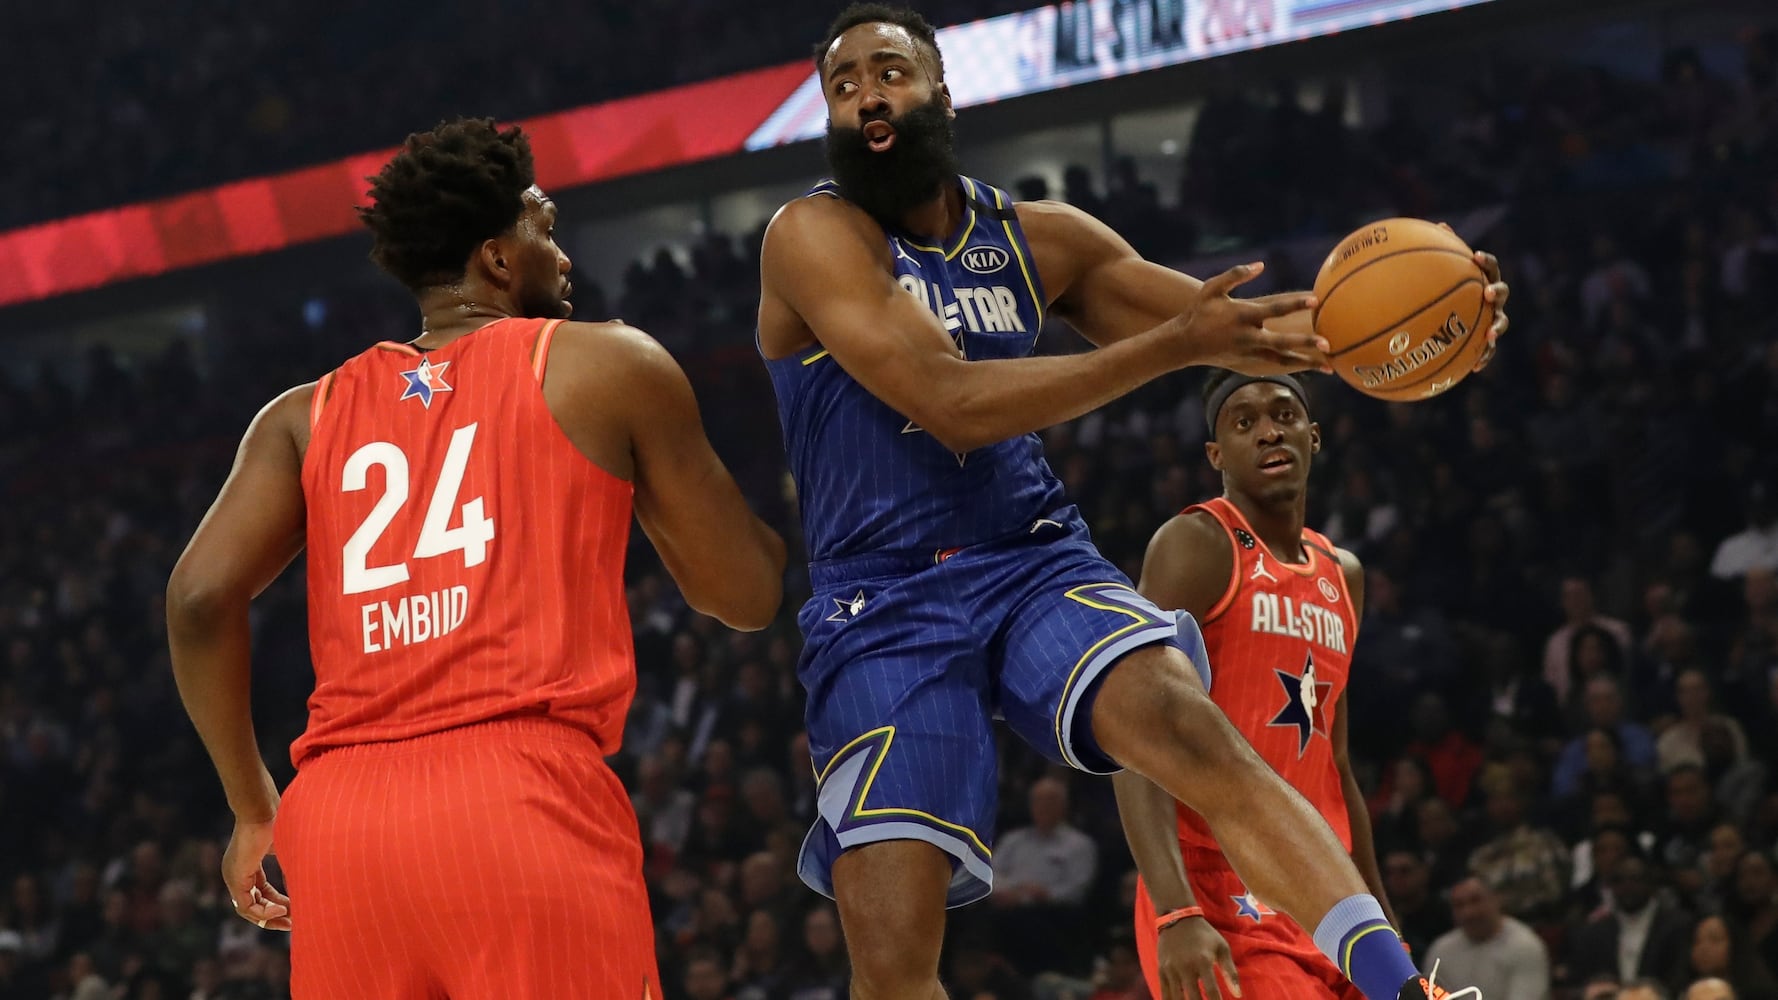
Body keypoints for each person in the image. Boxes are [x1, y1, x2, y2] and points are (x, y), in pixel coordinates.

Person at [754, 6, 1508, 999]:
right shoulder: (810, 235)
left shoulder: (1039, 239)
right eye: (843, 84)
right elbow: (948, 403)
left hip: (1027, 556)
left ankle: (1401, 989)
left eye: (888, 72)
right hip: (882, 596)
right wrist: (1170, 348)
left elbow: (1247, 328)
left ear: (941, 93)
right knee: (893, 965)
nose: (865, 96)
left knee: (1192, 731)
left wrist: (1425, 321)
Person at [165, 119, 786, 998]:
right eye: (546, 230)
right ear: (497, 258)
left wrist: (251, 806)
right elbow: (746, 596)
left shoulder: (303, 414)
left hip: (339, 823)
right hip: (520, 796)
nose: (562, 257)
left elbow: (197, 600)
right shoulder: (606, 364)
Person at [1113, 371, 1385, 1000]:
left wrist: (1385, 928)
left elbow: (1337, 765)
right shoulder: (1197, 544)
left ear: (1314, 436)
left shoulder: (1343, 575)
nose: (1268, 432)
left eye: (1284, 415)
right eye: (1244, 422)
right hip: (1221, 892)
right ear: (1216, 455)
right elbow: (1133, 736)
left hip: (1329, 895)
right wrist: (1174, 910)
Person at [1423, 879, 1552, 1000]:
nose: (1468, 912)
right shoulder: (1440, 951)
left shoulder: (1525, 946)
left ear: (1496, 900)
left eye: (1476, 901)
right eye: (1459, 905)